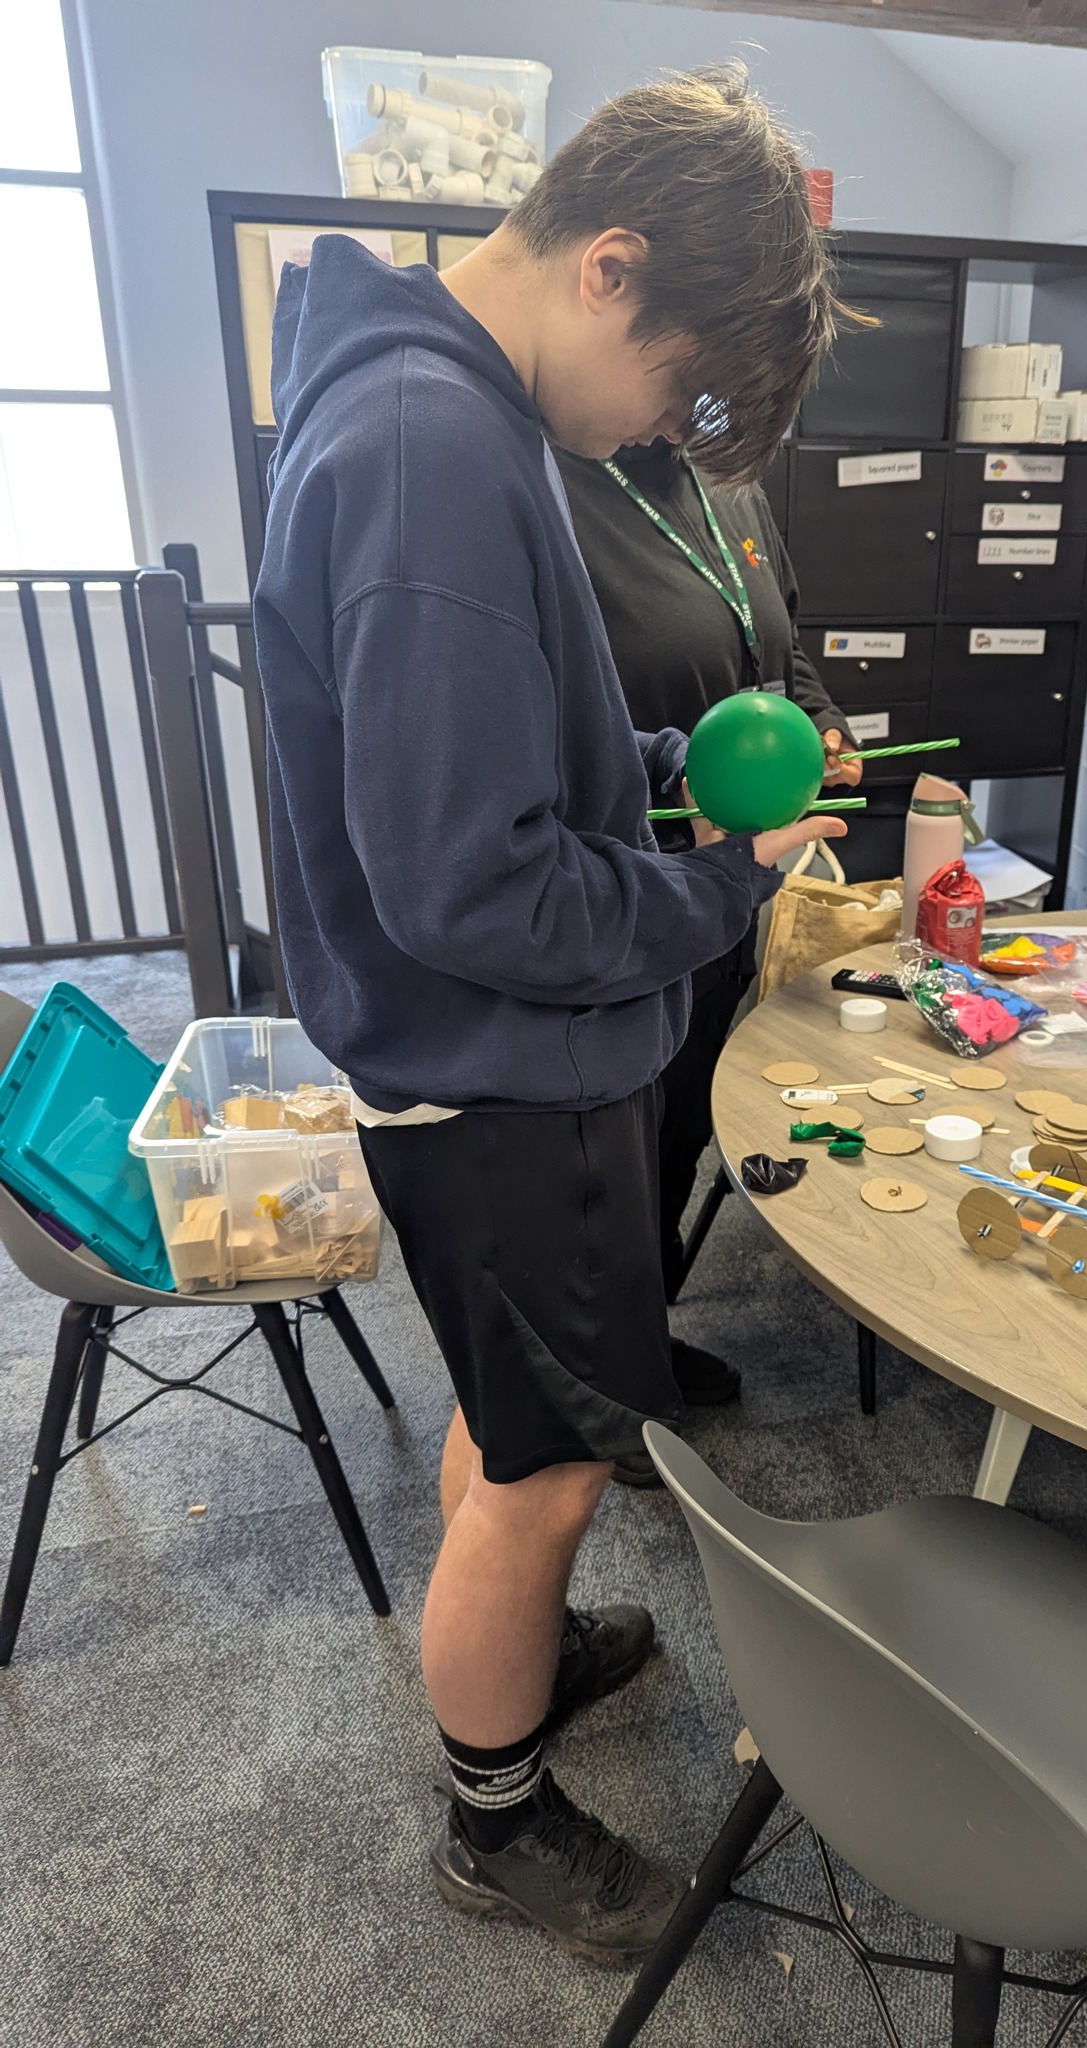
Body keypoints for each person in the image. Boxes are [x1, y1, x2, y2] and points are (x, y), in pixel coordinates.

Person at [253, 69, 847, 1966]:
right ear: (609, 269)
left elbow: (502, 742)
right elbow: (471, 883)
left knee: (519, 1428)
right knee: (553, 1468)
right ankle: (492, 1821)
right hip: (497, 1067)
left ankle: (512, 1621)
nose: (665, 435)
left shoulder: (450, 405)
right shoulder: (436, 441)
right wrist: (724, 889)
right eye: (679, 392)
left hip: (483, 1061)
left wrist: (660, 760)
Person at [556, 436, 861, 1423]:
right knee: (613, 1148)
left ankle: (642, 1338)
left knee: (681, 1125)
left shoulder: (726, 485)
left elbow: (779, 645)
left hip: (734, 877)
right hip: (632, 877)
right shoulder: (555, 479)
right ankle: (598, 1390)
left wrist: (817, 723)